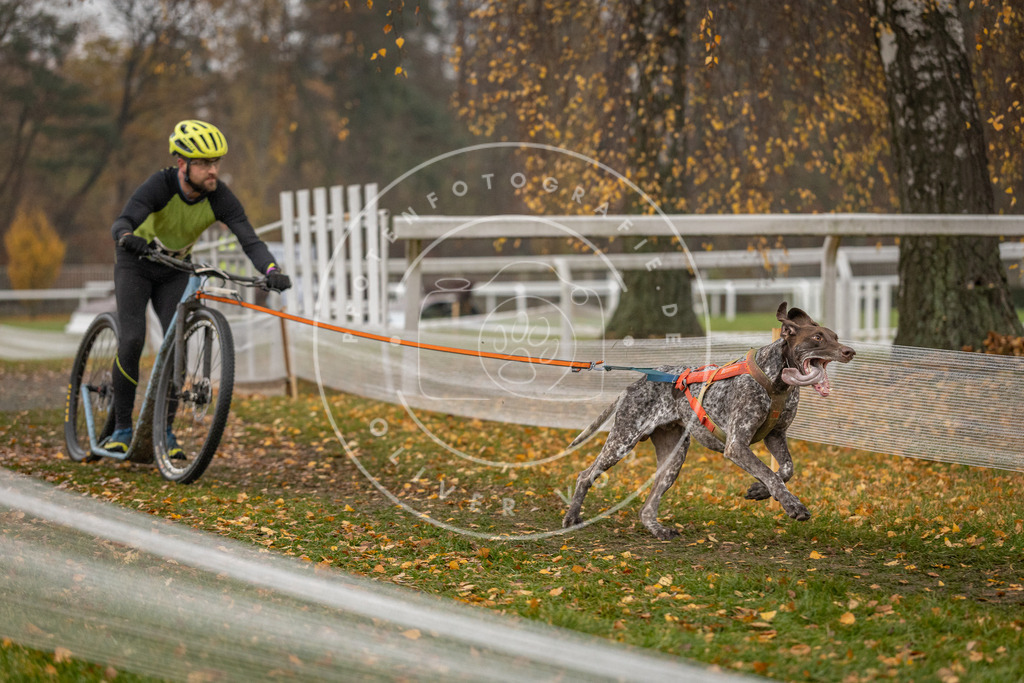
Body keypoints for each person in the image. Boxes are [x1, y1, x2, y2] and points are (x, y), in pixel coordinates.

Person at [103, 119, 291, 455]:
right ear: (182, 164)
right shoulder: (159, 186)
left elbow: (250, 240)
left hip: (174, 269)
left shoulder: (220, 197)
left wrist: (272, 269)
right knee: (132, 339)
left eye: (215, 162)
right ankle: (121, 429)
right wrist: (127, 238)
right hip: (136, 263)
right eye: (204, 163)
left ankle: (165, 433)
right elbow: (124, 221)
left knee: (176, 345)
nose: (212, 171)